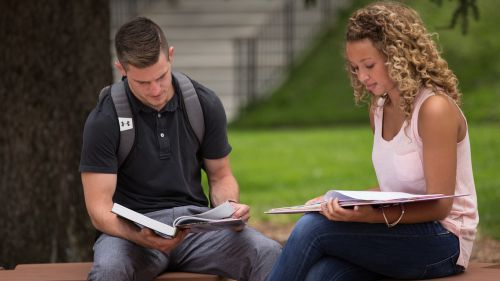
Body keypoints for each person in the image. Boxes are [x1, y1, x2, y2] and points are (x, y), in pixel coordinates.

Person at [267, 2, 478, 280]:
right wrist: (342, 200)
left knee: (313, 228)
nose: (362, 77)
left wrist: (367, 216)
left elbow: (440, 205)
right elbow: (397, 186)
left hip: (443, 240)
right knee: (322, 274)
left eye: (369, 65)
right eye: (355, 68)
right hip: (401, 232)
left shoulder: (434, 109)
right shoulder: (378, 110)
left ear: (397, 56)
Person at [79, 17, 281, 281]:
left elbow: (221, 176)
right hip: (133, 235)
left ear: (170, 55)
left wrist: (229, 207)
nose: (155, 90)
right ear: (122, 69)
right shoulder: (105, 119)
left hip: (195, 230)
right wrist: (138, 235)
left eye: (161, 77)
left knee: (268, 252)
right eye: (142, 82)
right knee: (110, 271)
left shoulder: (203, 103)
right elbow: (99, 209)